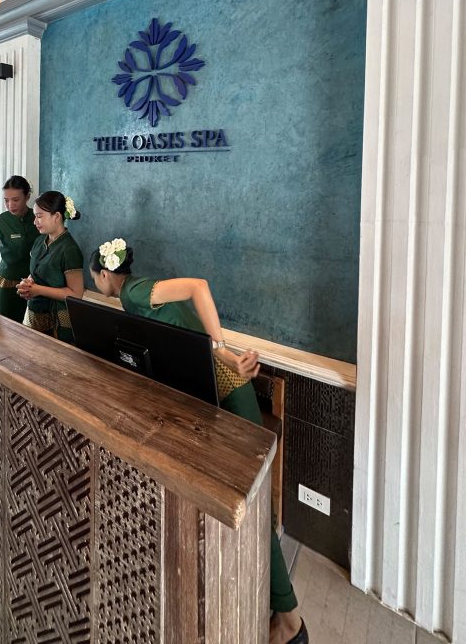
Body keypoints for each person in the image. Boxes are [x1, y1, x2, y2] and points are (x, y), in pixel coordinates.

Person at [89, 238, 308, 644]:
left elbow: (198, 287)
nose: (96, 286)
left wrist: (224, 349)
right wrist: (227, 355)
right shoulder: (134, 298)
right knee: (249, 503)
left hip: (228, 390)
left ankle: (290, 620)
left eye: (95, 279)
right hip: (222, 384)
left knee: (255, 507)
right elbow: (189, 339)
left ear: (104, 275)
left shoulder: (134, 291)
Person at [16, 191, 84, 343]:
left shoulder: (69, 249)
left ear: (57, 216)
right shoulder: (39, 242)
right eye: (35, 216)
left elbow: (76, 294)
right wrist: (28, 283)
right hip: (34, 314)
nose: (35, 222)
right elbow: (36, 273)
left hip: (58, 322)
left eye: (39, 216)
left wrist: (38, 290)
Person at [0, 176, 40, 323]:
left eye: (15, 200)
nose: (10, 205)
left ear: (27, 196)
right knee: (2, 330)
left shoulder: (39, 219)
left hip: (35, 287)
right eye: (6, 200)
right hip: (6, 288)